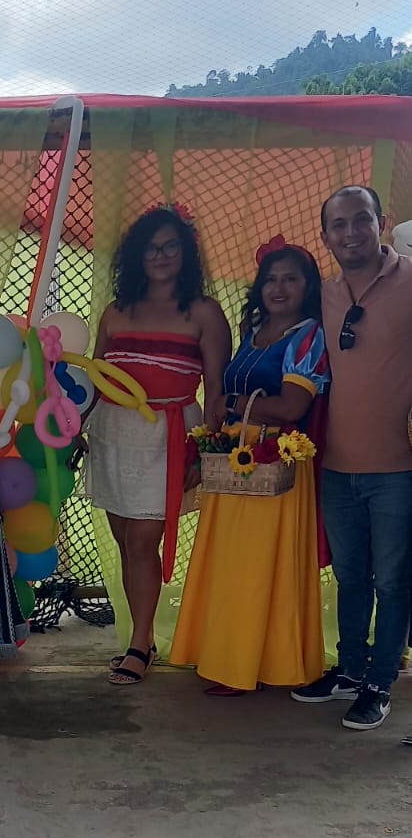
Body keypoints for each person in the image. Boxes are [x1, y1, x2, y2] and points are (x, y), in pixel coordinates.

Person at [170, 238, 329, 693]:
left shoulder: (308, 336)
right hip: (236, 457)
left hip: (275, 462)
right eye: (270, 279)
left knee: (258, 568)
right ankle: (228, 657)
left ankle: (253, 666)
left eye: (291, 279)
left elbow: (292, 406)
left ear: (308, 287)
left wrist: (233, 403)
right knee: (231, 565)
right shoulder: (253, 330)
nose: (278, 288)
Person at [84, 204, 231, 684]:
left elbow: (217, 389)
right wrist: (69, 426)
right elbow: (93, 378)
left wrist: (205, 451)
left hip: (169, 437)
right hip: (111, 435)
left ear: (185, 253)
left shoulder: (204, 312)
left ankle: (141, 642)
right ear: (136, 256)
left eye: (170, 246)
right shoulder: (115, 312)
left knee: (144, 540)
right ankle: (140, 638)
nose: (161, 255)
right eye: (151, 248)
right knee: (126, 541)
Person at [292, 186, 412, 731]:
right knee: (350, 576)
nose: (351, 233)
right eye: (338, 225)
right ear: (325, 237)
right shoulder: (324, 293)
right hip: (337, 467)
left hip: (399, 469)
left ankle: (380, 682)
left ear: (381, 222)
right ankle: (349, 670)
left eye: (361, 220)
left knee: (393, 581)